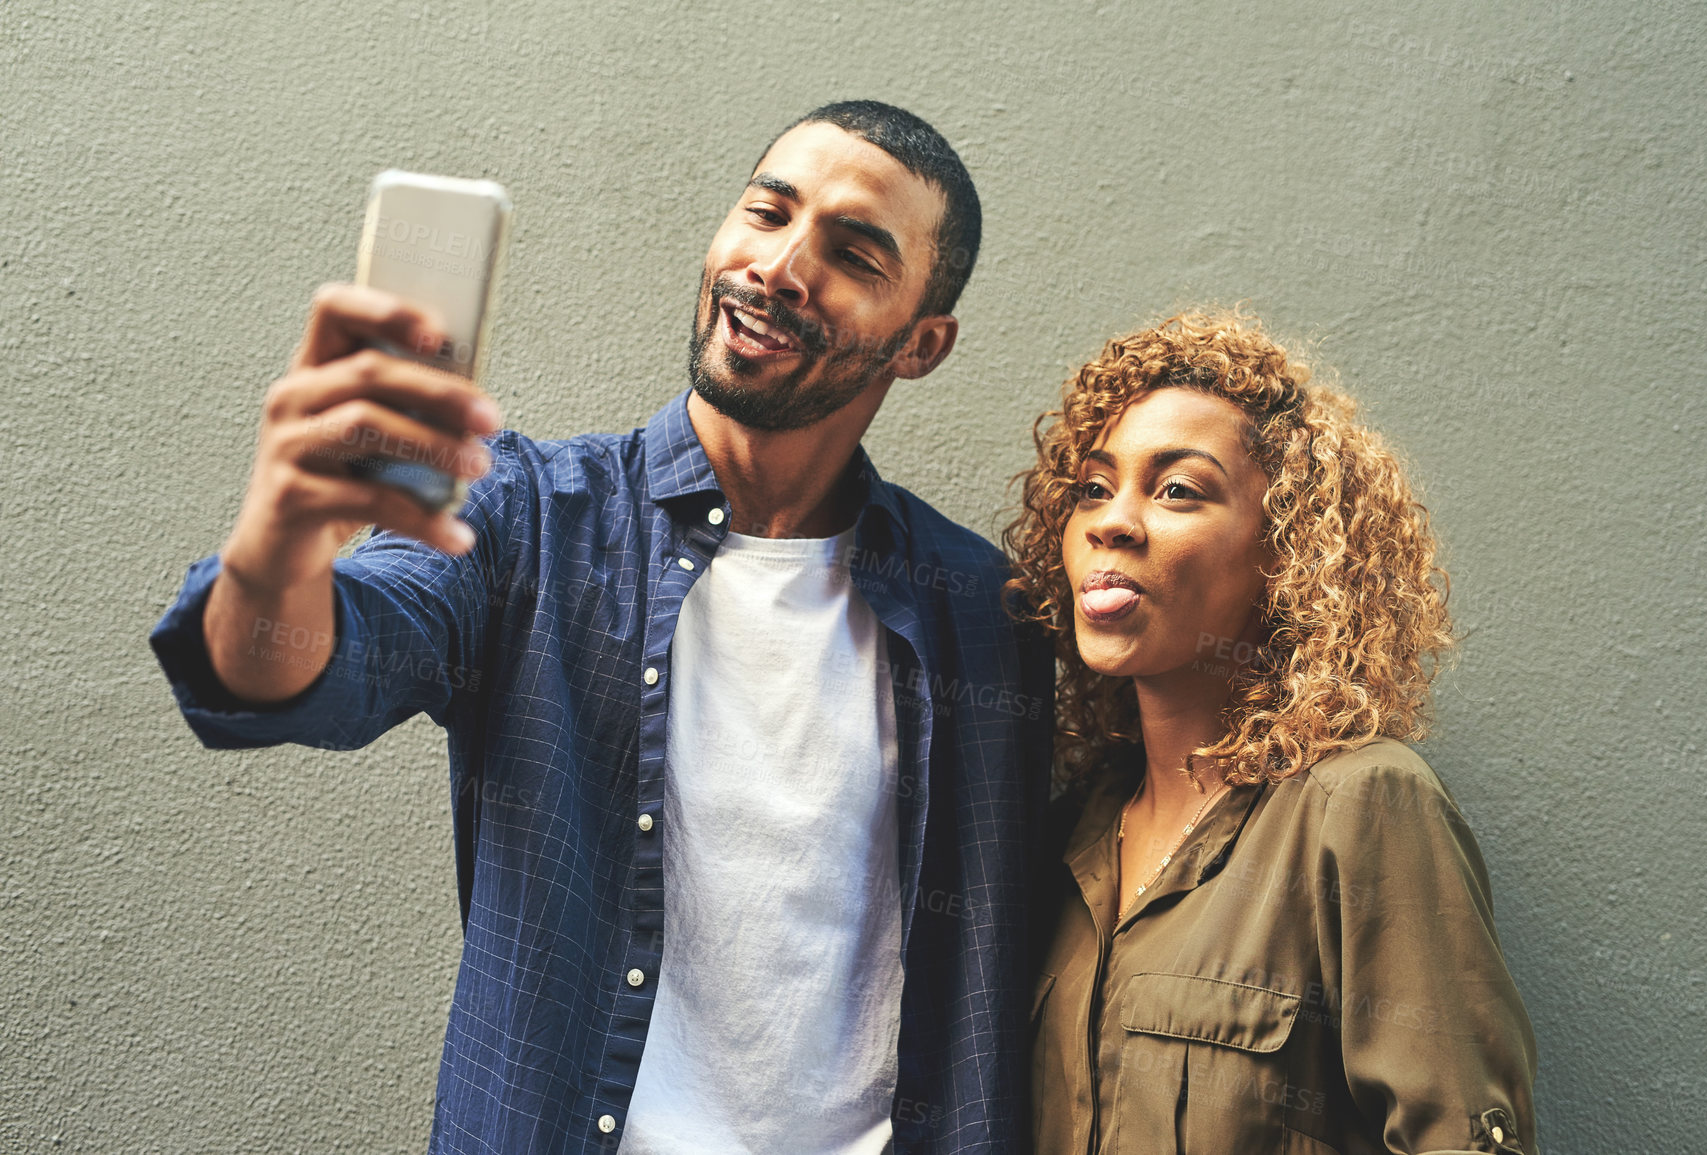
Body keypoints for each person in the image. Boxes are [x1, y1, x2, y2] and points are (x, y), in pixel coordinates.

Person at [149, 101, 1052, 1154]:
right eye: (767, 212)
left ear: (922, 344)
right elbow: (292, 673)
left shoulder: (983, 613)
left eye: (852, 255)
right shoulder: (529, 518)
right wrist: (281, 542)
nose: (781, 266)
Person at [1003, 308, 1539, 1154]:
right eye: (1092, 489)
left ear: (1288, 551)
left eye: (1177, 489)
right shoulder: (1071, 830)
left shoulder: (1360, 808)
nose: (1111, 521)